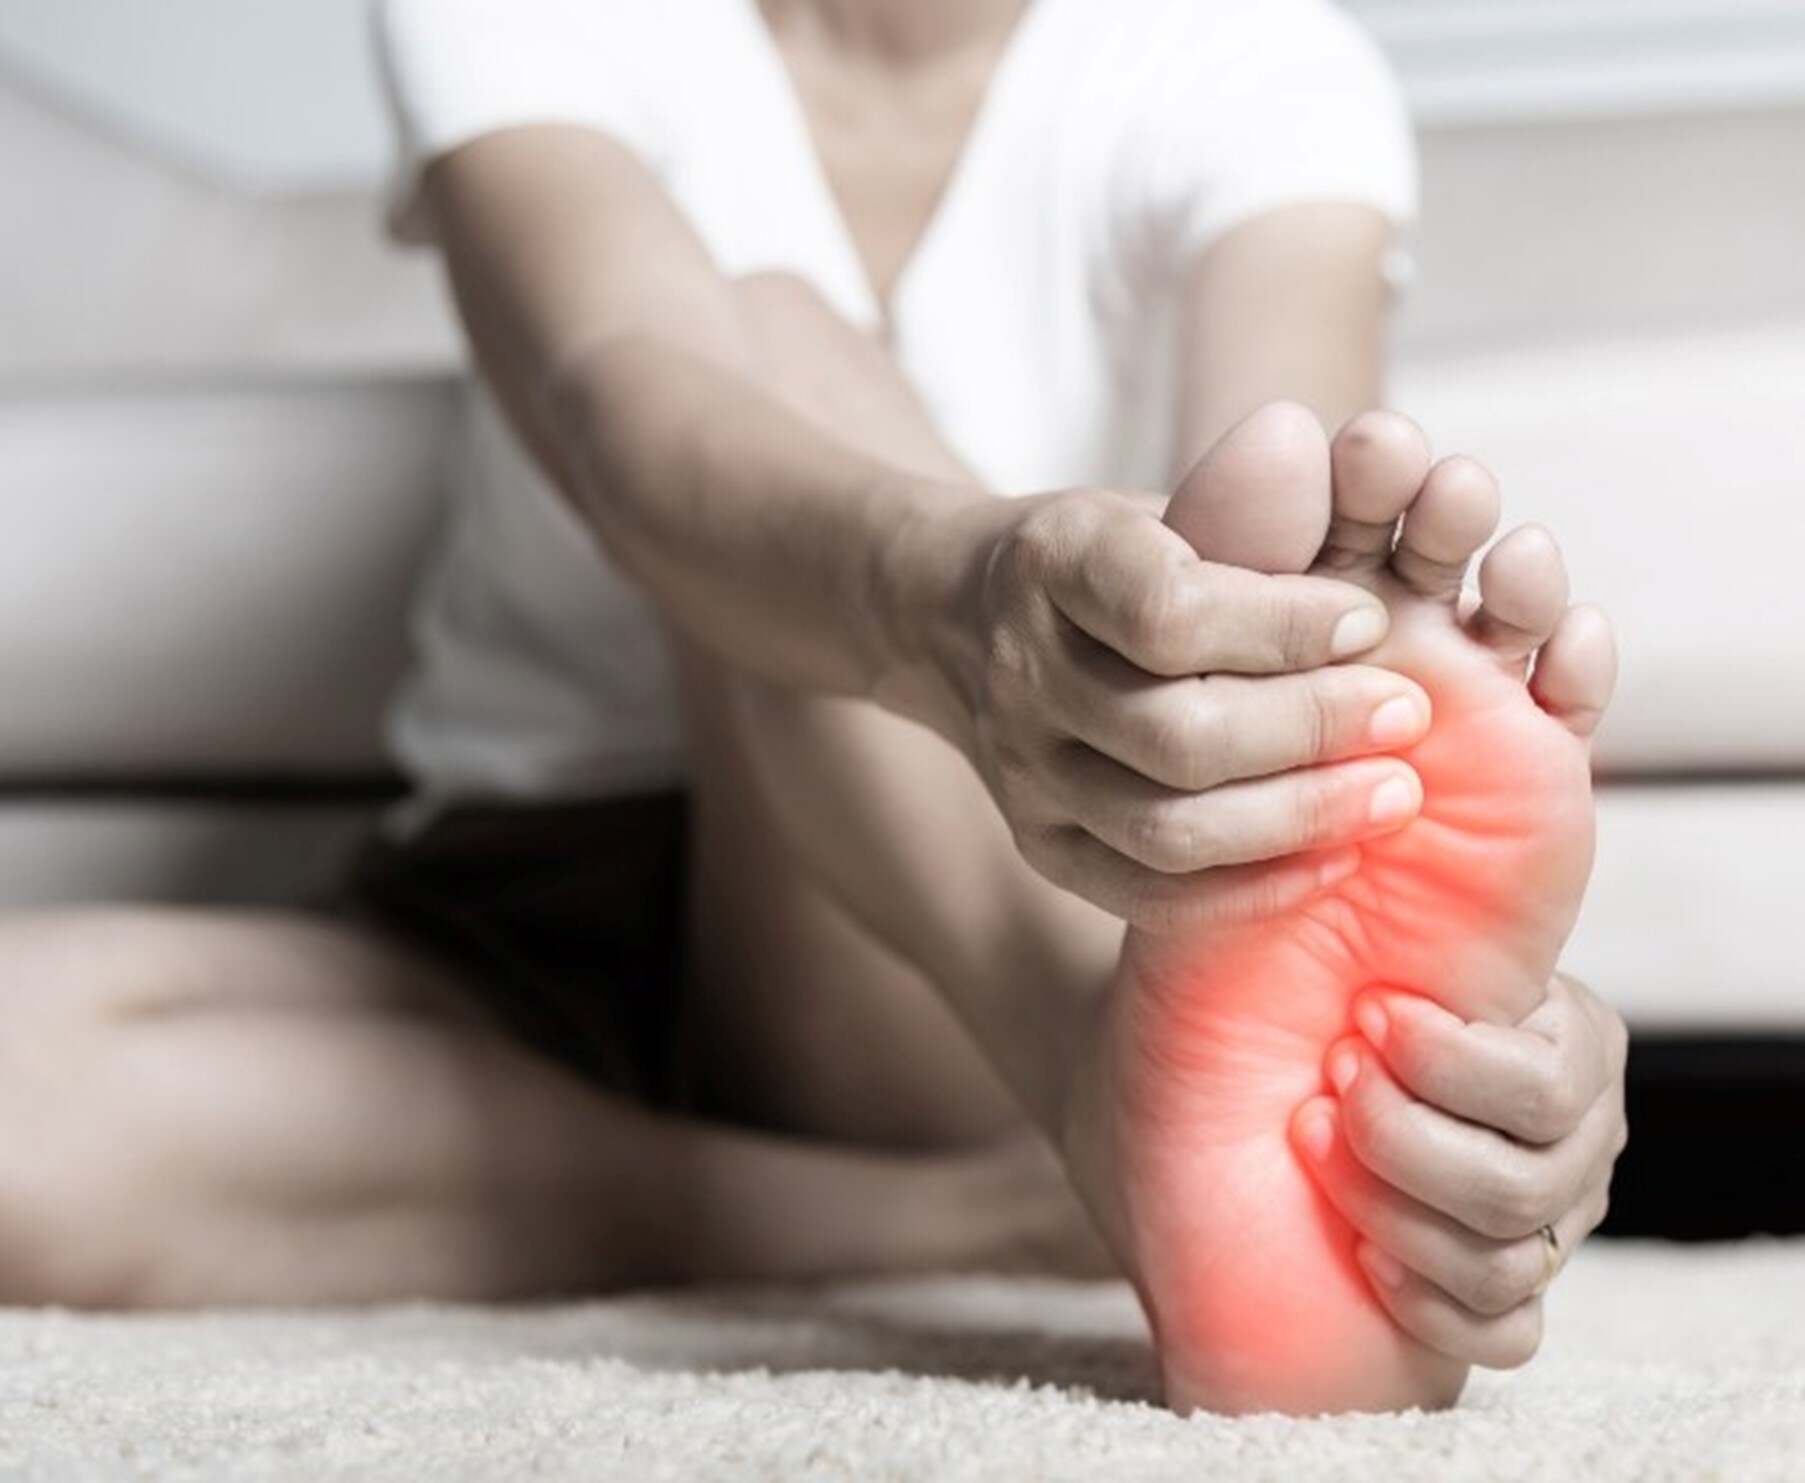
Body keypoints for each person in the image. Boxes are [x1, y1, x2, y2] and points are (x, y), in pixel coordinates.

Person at [0, 0, 1626, 1416]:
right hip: (510, 923)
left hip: (917, 921)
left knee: (783, 340)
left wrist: (1335, 836)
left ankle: (1129, 1050)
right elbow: (621, 407)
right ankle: (1043, 1185)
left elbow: (1301, 536)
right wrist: (960, 595)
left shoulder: (1240, 61)